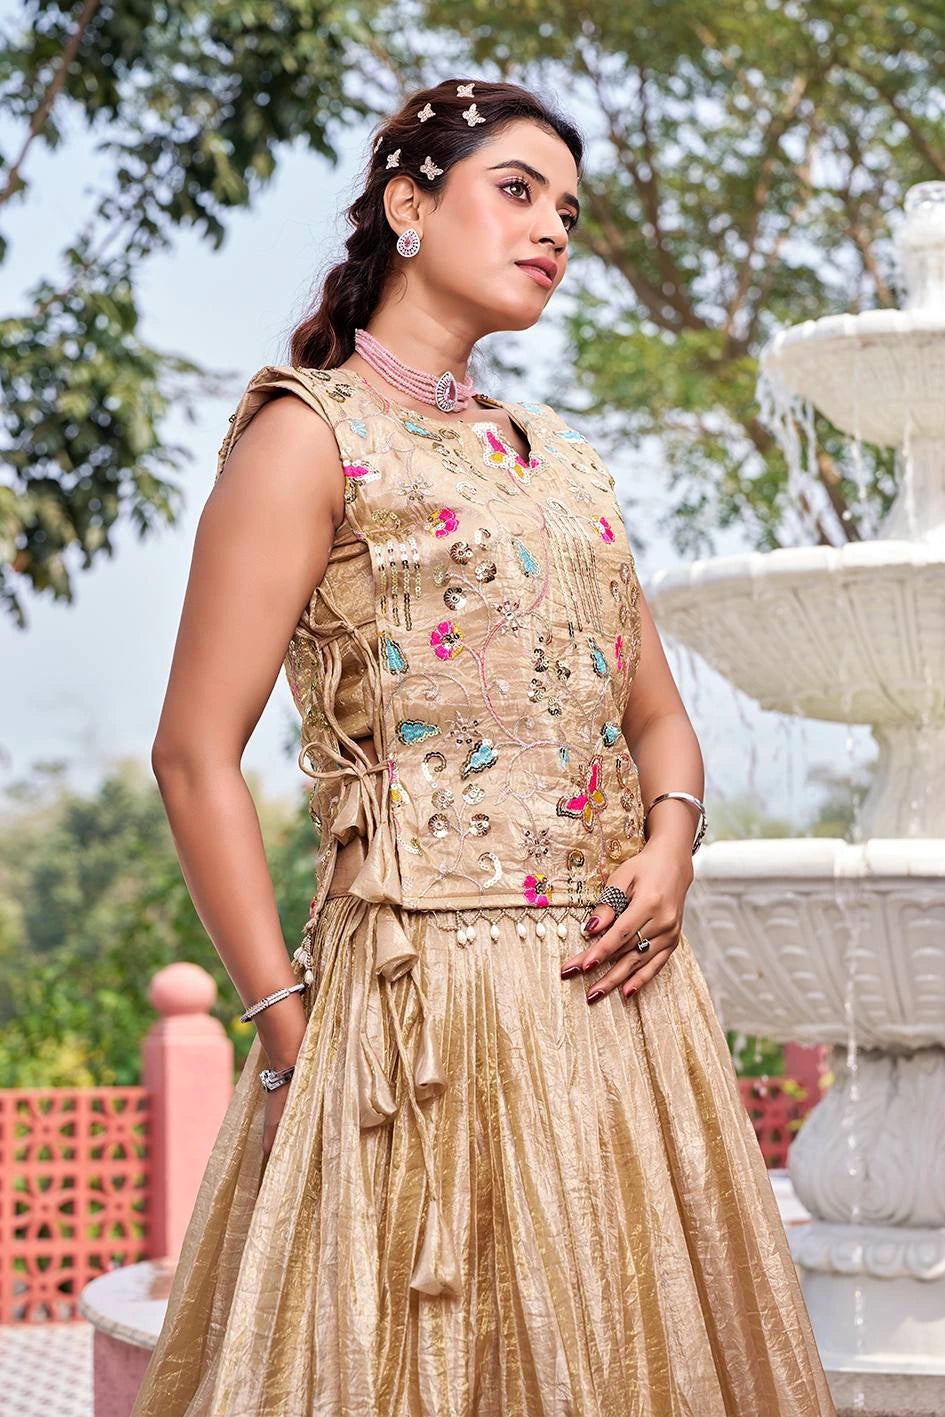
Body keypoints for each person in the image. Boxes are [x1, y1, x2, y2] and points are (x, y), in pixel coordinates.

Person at [132, 76, 836, 1417]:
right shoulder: (309, 434)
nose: (550, 231)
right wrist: (284, 1026)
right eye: (514, 192)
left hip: (623, 1007)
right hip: (417, 1018)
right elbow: (190, 753)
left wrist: (673, 839)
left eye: (566, 211)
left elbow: (654, 714)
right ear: (409, 204)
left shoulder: (561, 460)